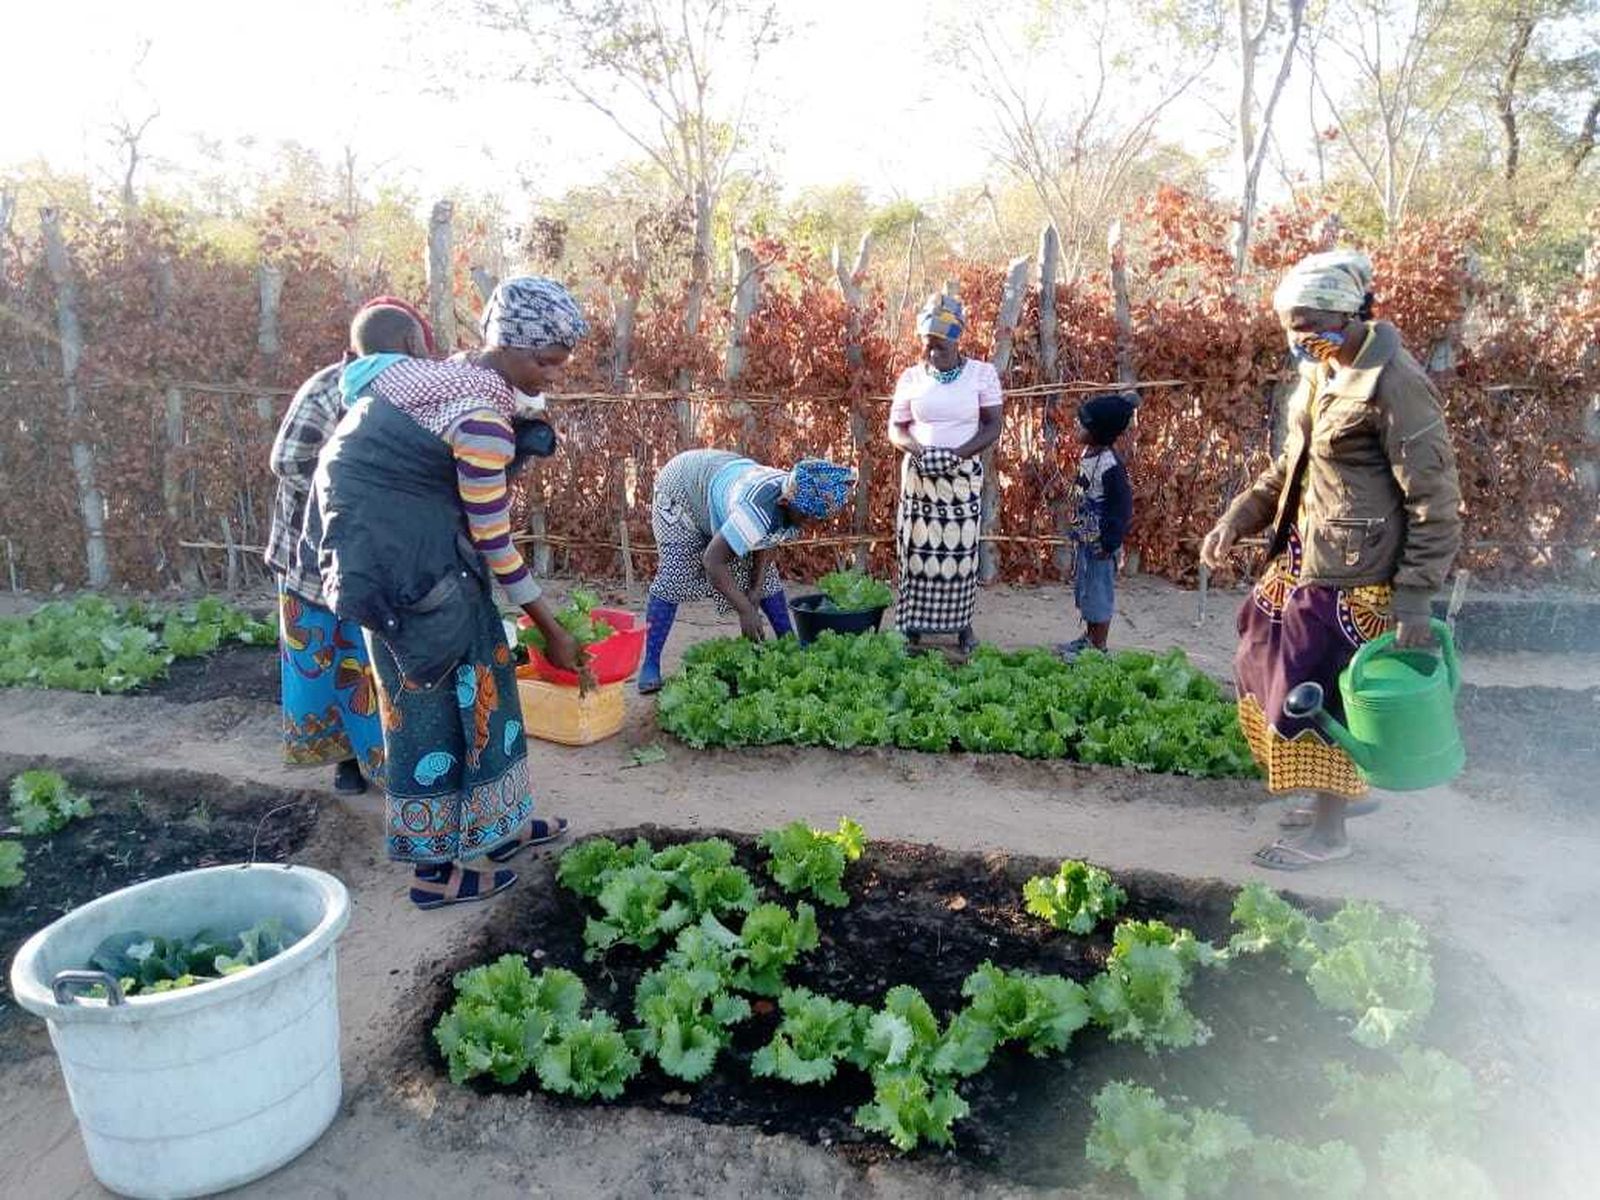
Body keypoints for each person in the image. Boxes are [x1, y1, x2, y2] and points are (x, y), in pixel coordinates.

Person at [315, 277, 590, 909]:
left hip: (424, 551)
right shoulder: (482, 412)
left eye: (559, 364)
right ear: (504, 343)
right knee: (425, 712)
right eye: (542, 361)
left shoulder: (462, 374)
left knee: (488, 680)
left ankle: (500, 829)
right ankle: (432, 873)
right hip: (398, 572)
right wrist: (552, 627)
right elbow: (494, 538)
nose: (549, 377)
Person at [1200, 249, 1461, 871]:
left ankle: (1330, 828)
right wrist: (1238, 517)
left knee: (1317, 689)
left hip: (1359, 571)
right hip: (1306, 552)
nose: (1298, 338)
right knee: (1258, 651)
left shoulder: (1395, 382)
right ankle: (1333, 797)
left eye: (1310, 323)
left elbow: (1435, 500)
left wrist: (1416, 597)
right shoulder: (1323, 373)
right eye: (1291, 325)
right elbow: (1291, 467)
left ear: (1348, 314)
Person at [265, 296, 433, 793]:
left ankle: (385, 763)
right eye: (423, 344)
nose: (427, 353)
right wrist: (352, 488)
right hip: (313, 556)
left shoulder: (409, 393)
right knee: (329, 660)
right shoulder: (326, 389)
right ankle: (346, 764)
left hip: (372, 561)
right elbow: (288, 461)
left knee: (368, 662)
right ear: (407, 343)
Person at [637, 451, 856, 694]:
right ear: (786, 502)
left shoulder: (793, 492)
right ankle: (651, 663)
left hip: (718, 475)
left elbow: (769, 538)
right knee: (675, 574)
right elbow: (712, 561)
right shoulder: (759, 510)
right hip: (681, 490)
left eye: (816, 518)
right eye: (807, 516)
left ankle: (790, 646)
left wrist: (754, 589)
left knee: (766, 578)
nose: (810, 523)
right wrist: (745, 610)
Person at [887, 292, 1004, 653]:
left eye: (938, 346)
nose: (930, 353)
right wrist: (921, 451)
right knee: (916, 552)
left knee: (959, 554)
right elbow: (896, 428)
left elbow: (992, 426)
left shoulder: (981, 375)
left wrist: (955, 456)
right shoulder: (911, 377)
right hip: (921, 480)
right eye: (926, 345)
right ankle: (912, 626)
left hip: (961, 479)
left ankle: (961, 626)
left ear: (956, 340)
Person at [1061, 392, 1136, 657]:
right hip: (1087, 539)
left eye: (1083, 426)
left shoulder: (1110, 465)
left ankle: (1098, 647)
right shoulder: (1091, 452)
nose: (1077, 428)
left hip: (1101, 544)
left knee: (1099, 595)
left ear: (1099, 433)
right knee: (1087, 592)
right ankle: (1089, 639)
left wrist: (1110, 542)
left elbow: (1122, 507)